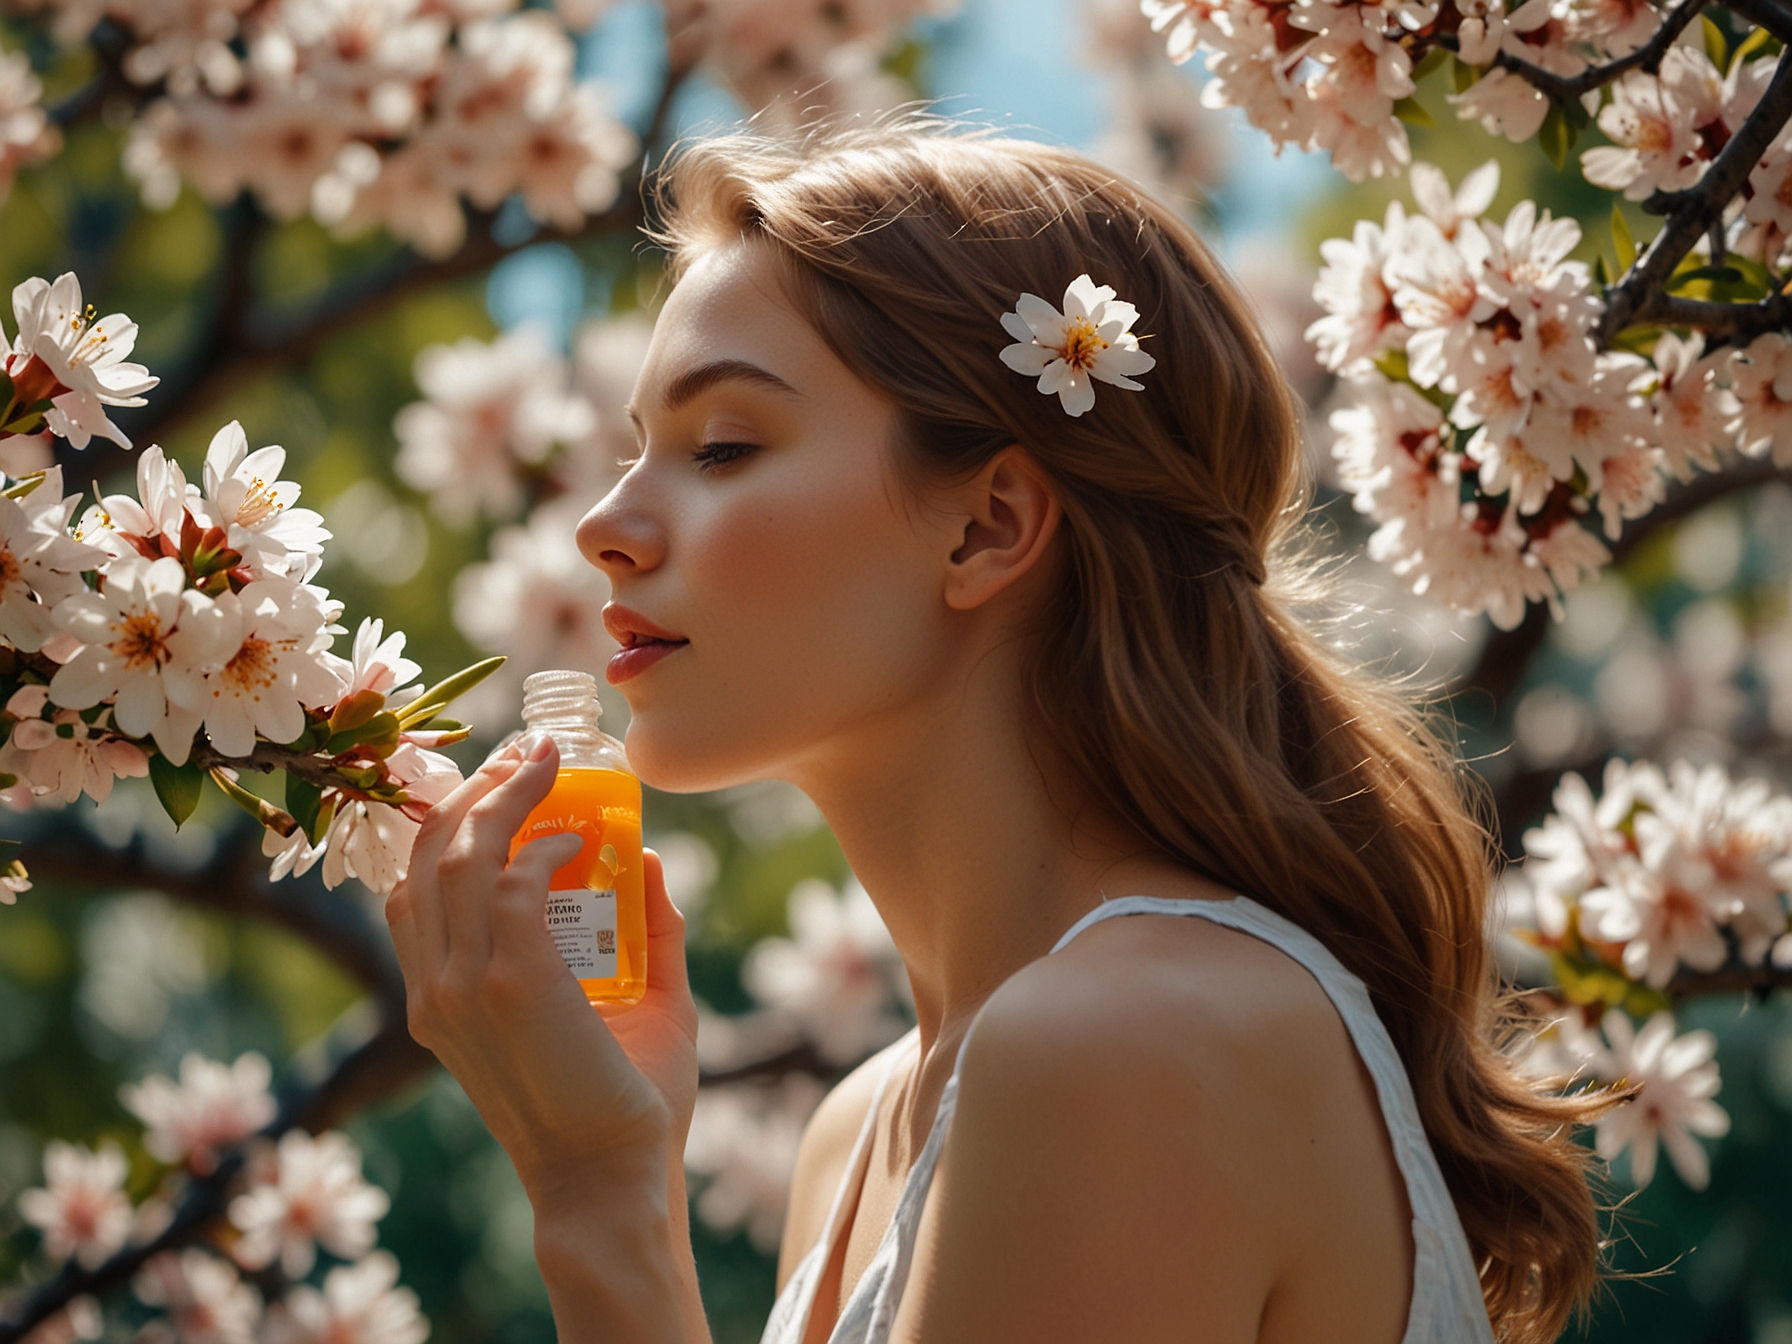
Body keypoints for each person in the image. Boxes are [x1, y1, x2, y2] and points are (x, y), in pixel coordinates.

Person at [384, 116, 1610, 1344]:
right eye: (633, 449)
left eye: (722, 446)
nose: (604, 523)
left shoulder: (1124, 1049)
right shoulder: (860, 1135)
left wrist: (599, 1201)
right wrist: (614, 1162)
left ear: (989, 527)